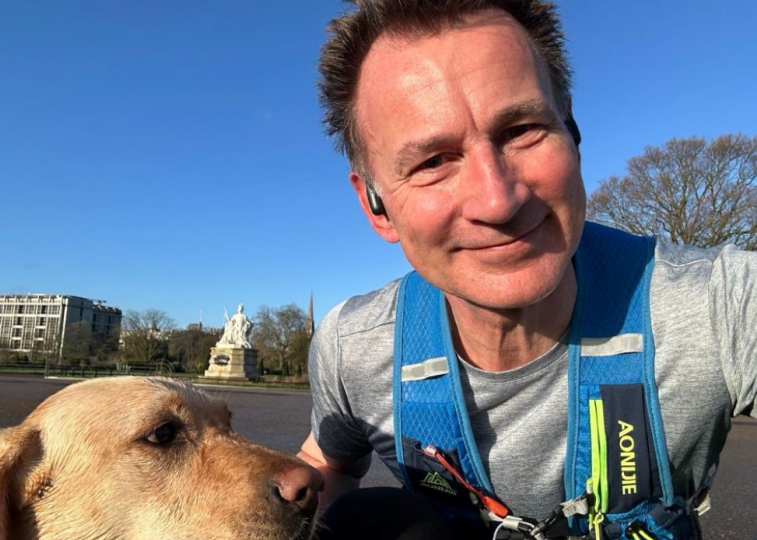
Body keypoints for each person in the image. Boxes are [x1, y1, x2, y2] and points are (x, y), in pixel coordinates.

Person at [296, 1, 757, 539]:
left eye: (521, 129)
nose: (497, 200)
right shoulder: (352, 349)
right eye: (432, 162)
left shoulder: (718, 309)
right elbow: (327, 464)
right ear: (376, 205)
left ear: (572, 130)